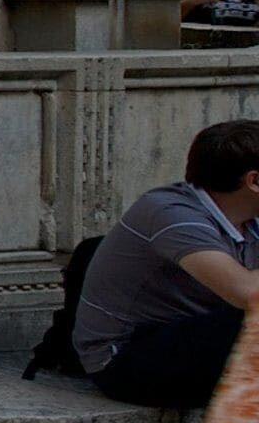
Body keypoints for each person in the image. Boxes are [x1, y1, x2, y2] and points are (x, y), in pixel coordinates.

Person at [77, 122, 259, 408]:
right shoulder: (170, 214)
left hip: (192, 337)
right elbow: (247, 293)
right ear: (254, 181)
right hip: (125, 360)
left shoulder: (248, 218)